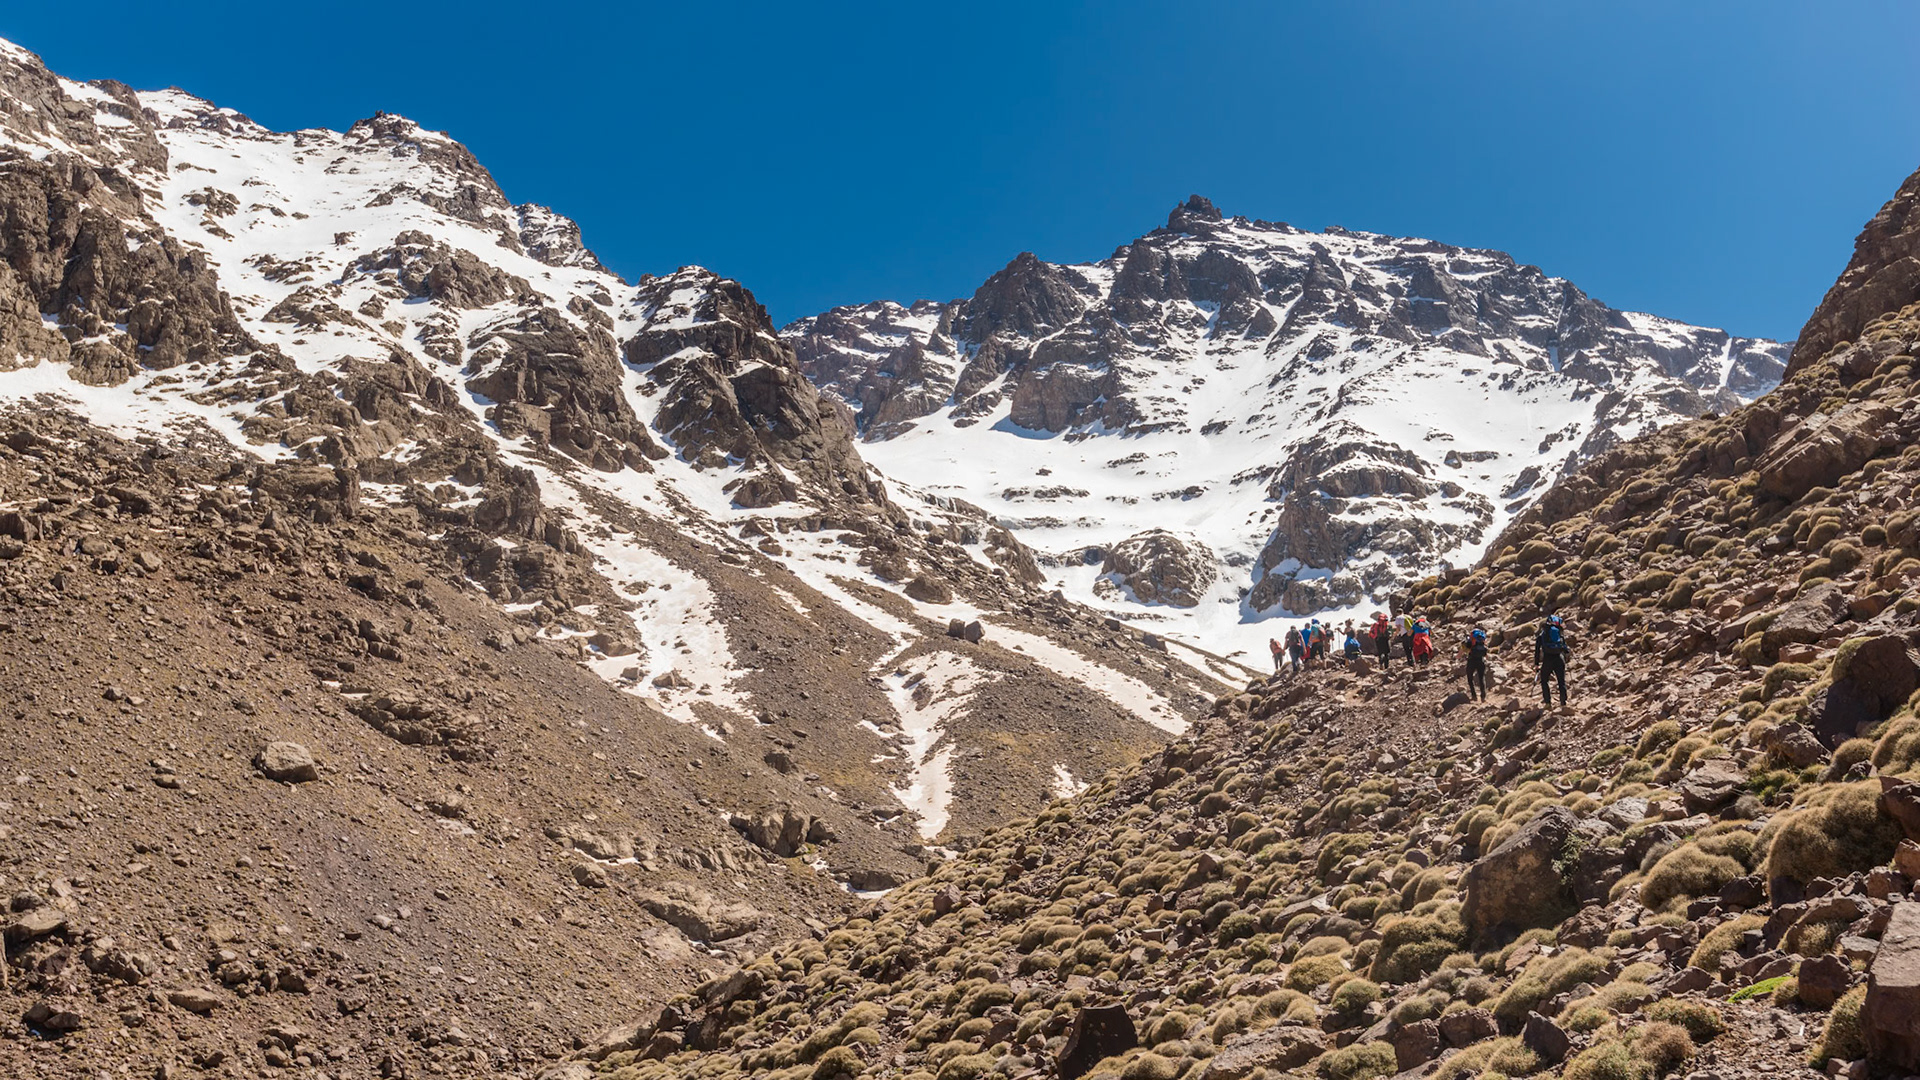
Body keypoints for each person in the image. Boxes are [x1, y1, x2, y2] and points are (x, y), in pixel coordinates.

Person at [1535, 614, 1570, 707]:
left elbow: (1537, 650)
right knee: (1561, 681)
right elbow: (1565, 648)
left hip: (1548, 659)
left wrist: (1536, 664)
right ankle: (1563, 702)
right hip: (1559, 658)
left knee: (1544, 680)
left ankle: (1548, 703)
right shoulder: (1558, 633)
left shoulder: (1542, 635)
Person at [1464, 627, 1489, 701]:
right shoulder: (1482, 642)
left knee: (1470, 678)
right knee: (1481, 678)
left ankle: (1474, 695)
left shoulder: (1470, 641)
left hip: (1471, 661)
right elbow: (1486, 653)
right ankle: (1483, 696)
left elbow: (1466, 650)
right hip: (1481, 661)